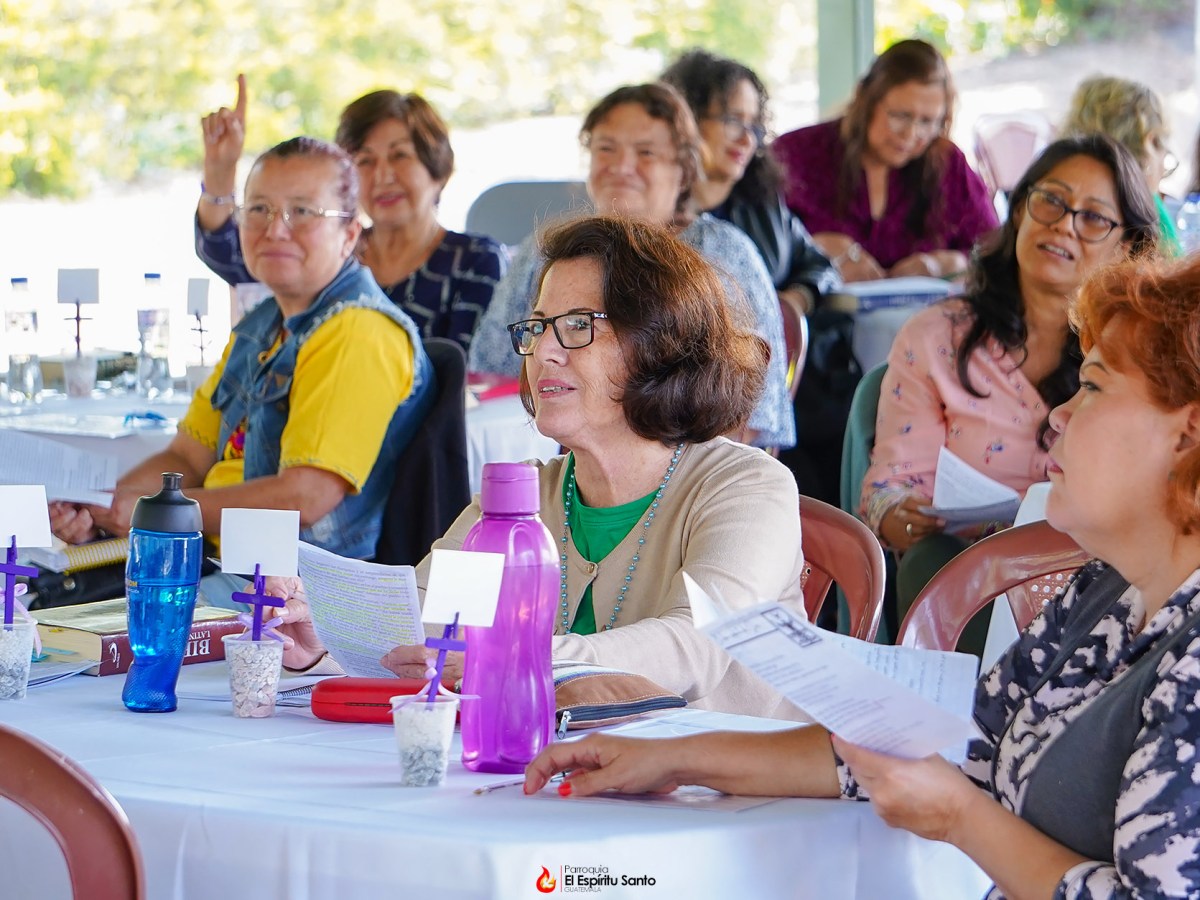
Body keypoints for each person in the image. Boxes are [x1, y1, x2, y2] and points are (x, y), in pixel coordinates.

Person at [525, 252, 1200, 900]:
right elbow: (959, 746)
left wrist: (959, 818)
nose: (1058, 414)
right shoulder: (1108, 592)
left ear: (1188, 436)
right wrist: (676, 759)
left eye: (1094, 385)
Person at [269, 215, 809, 719]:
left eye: (577, 325)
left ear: (658, 342)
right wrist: (328, 638)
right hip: (566, 788)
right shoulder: (518, 497)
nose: (543, 351)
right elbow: (426, 623)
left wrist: (511, 655)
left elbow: (698, 646)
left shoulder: (749, 486)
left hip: (724, 799)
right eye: (537, 327)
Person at [51, 137, 434, 564]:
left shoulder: (359, 332)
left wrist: (155, 513)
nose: (275, 229)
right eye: (258, 209)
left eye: (302, 211)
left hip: (291, 594)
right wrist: (103, 505)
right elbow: (186, 456)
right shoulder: (262, 325)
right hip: (215, 564)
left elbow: (304, 497)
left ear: (348, 234)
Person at [861, 135, 1158, 649]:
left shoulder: (1135, 359)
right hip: (968, 577)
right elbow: (890, 485)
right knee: (936, 567)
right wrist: (899, 512)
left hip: (1097, 580)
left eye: (1093, 217)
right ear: (1020, 209)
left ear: (1127, 245)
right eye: (1051, 200)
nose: (1064, 224)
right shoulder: (936, 339)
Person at [466, 83, 794, 451]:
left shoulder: (721, 252)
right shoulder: (544, 252)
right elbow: (489, 371)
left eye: (646, 152)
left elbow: (753, 417)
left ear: (683, 171)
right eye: (606, 148)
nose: (622, 167)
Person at [196, 75, 505, 354]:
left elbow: (471, 373)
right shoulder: (329, 247)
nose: (383, 176)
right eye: (365, 160)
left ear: (437, 169)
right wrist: (219, 171)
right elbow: (228, 253)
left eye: (400, 156)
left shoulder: (474, 261)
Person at [772, 39, 998, 282]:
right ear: (864, 98)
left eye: (927, 122)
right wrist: (809, 249)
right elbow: (750, 250)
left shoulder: (948, 164)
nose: (911, 135)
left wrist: (947, 263)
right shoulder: (795, 154)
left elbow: (996, 250)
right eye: (900, 116)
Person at [660, 48, 840, 314]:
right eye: (733, 121)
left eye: (754, 125)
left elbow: (821, 267)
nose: (747, 140)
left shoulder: (763, 202)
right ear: (687, 119)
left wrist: (794, 304)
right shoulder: (652, 206)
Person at [1062, 74, 1182, 256]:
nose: (1164, 167)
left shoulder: (1056, 189)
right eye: (1160, 143)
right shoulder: (1150, 213)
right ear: (1148, 144)